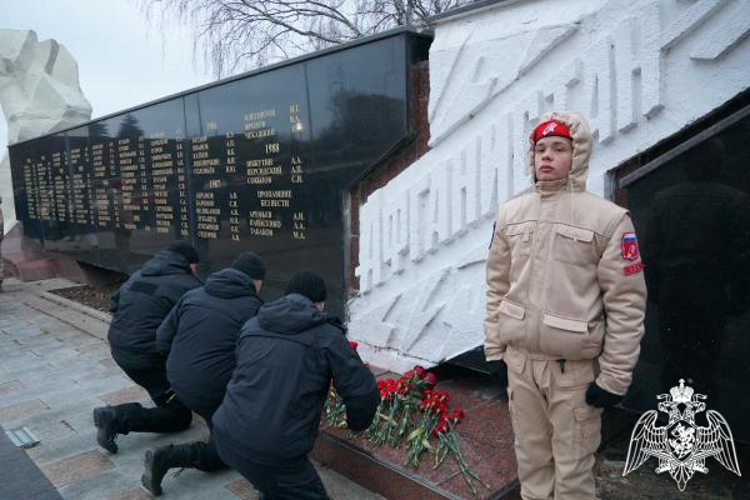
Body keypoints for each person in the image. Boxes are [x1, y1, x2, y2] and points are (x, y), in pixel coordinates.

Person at [484, 111, 647, 499]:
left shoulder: (609, 220)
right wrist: (495, 349)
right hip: (521, 366)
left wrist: (613, 379)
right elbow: (496, 286)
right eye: (540, 148)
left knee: (573, 474)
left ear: (579, 155)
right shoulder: (511, 214)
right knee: (531, 464)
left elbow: (626, 305)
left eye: (559, 148)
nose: (547, 156)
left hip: (573, 374)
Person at [212, 271, 380, 500]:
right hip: (274, 452)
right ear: (319, 303)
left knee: (272, 486)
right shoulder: (326, 335)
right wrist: (357, 424)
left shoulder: (252, 325)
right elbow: (362, 392)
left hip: (225, 432)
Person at [141, 251, 267, 496]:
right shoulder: (254, 308)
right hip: (211, 388)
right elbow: (258, 362)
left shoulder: (193, 294)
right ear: (256, 281)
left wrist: (184, 367)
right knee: (233, 450)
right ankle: (167, 458)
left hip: (178, 379)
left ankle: (220, 435)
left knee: (223, 429)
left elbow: (162, 338)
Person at [93, 241, 203, 454]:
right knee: (179, 417)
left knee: (168, 392)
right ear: (189, 263)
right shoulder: (186, 284)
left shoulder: (139, 276)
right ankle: (116, 417)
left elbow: (114, 305)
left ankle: (169, 397)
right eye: (196, 265)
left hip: (120, 349)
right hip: (148, 359)